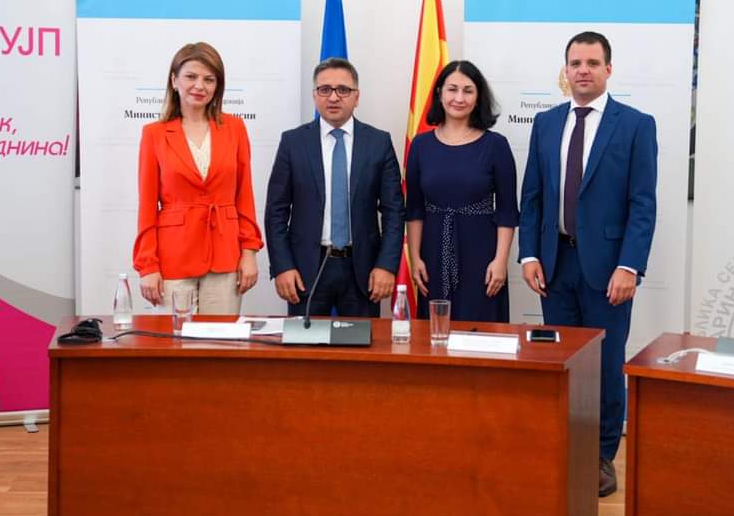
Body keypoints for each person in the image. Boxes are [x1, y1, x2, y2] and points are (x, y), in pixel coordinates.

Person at [518, 31, 657, 498]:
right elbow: (533, 196)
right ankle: (565, 445)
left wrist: (630, 266)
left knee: (606, 363)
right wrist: (530, 253)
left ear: (608, 70)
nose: (583, 70)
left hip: (608, 268)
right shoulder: (546, 124)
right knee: (562, 361)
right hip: (555, 263)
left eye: (592, 63)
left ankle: (600, 455)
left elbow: (643, 204)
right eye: (575, 63)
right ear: (566, 70)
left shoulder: (636, 125)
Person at [264, 58, 404, 317]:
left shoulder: (378, 142)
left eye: (343, 90)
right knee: (305, 342)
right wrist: (282, 266)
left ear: (356, 97)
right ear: (315, 95)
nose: (333, 97)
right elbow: (276, 212)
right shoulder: (293, 142)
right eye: (325, 89)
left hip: (363, 270)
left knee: (362, 343)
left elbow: (394, 211)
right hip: (305, 269)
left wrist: (386, 265)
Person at [133, 42, 263, 315]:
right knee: (175, 340)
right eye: (191, 76)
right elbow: (147, 206)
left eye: (209, 79)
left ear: (218, 86)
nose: (199, 86)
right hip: (173, 258)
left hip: (225, 255)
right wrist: (148, 266)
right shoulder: (154, 134)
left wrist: (249, 252)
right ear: (174, 80)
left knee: (221, 338)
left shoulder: (235, 128)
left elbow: (244, 196)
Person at [405, 60, 518, 322]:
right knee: (434, 333)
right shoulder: (421, 145)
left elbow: (507, 212)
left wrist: (500, 261)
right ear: (439, 93)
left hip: (482, 255)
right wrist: (415, 257)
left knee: (481, 332)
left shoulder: (496, 145)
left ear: (478, 98)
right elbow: (414, 209)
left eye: (468, 91)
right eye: (452, 89)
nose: (459, 98)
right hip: (433, 253)